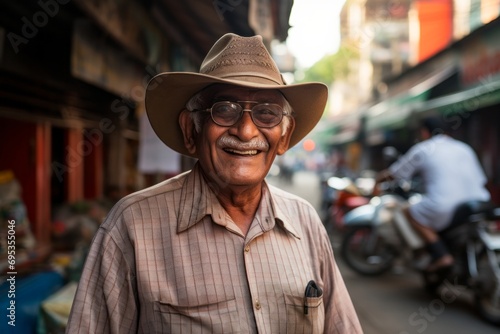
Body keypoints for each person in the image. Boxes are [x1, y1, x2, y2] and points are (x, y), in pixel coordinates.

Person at [66, 33, 362, 333]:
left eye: (267, 113)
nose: (246, 131)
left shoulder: (306, 222)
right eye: (224, 109)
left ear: (284, 137)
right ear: (191, 130)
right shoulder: (131, 225)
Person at [375, 116, 491, 272]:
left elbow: (396, 173)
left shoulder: (424, 148)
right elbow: (481, 178)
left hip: (444, 207)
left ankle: (441, 255)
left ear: (424, 132)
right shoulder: (464, 147)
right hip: (480, 202)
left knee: (409, 211)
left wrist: (378, 180)